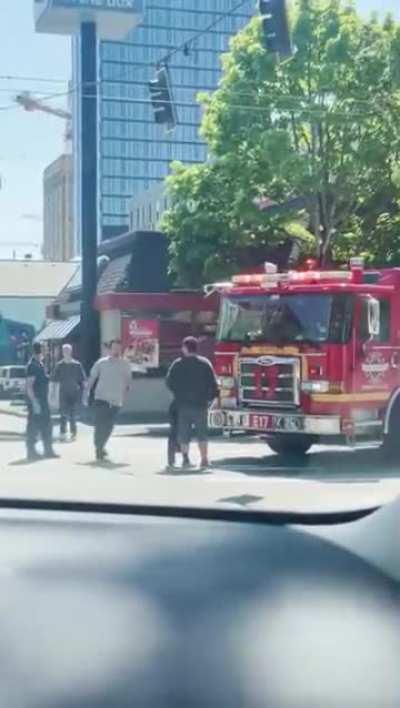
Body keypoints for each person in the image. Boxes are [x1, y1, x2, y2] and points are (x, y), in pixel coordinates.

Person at [166, 336, 219, 470]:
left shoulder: (177, 364)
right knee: (202, 433)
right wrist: (211, 398)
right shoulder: (205, 363)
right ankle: (204, 459)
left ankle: (185, 459)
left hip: (183, 405)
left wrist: (178, 394)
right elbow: (213, 384)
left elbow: (169, 382)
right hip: (200, 405)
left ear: (185, 348)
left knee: (184, 434)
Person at [85, 339, 132, 462]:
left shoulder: (125, 364)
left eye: (118, 348)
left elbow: (128, 383)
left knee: (109, 427)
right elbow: (92, 378)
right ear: (110, 349)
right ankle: (99, 449)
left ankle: (101, 446)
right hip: (101, 399)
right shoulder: (101, 363)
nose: (116, 350)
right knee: (100, 425)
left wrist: (124, 395)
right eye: (114, 348)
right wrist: (86, 393)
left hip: (116, 401)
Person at [25, 341, 58, 461]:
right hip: (37, 401)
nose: (47, 351)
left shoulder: (40, 364)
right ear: (40, 350)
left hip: (43, 401)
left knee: (47, 425)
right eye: (45, 348)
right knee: (33, 426)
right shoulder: (32, 365)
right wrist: (34, 402)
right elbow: (29, 386)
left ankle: (48, 450)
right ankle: (31, 451)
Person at [54, 344, 86, 442]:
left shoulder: (77, 365)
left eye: (68, 351)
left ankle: (73, 433)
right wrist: (52, 395)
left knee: (73, 414)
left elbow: (83, 380)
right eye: (64, 351)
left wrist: (85, 394)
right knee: (63, 414)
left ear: (71, 352)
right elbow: (54, 381)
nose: (66, 353)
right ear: (62, 353)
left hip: (74, 392)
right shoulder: (59, 365)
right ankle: (63, 433)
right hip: (63, 392)